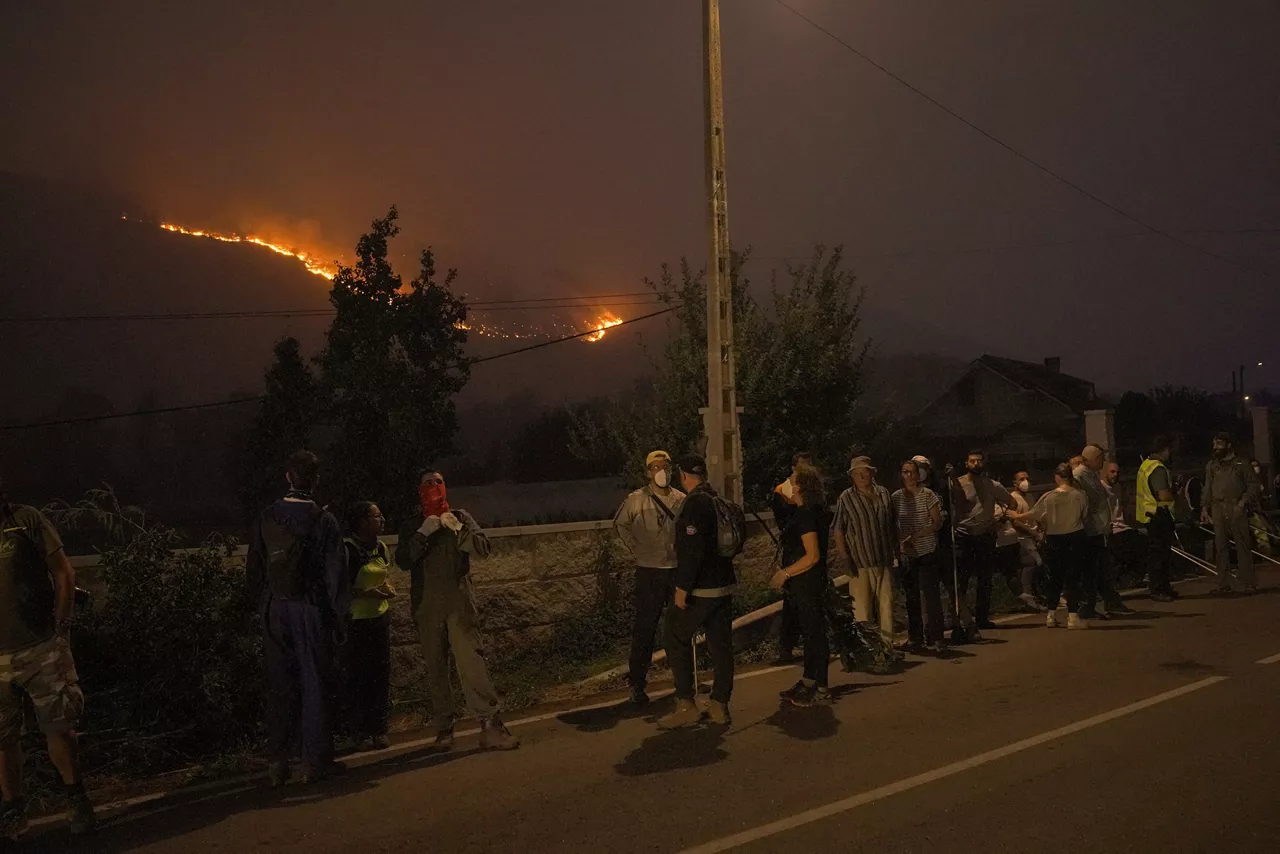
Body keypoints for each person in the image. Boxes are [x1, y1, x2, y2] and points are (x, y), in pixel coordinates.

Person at [247, 450, 349, 786]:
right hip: (310, 609)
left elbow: (255, 569)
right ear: (315, 479)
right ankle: (314, 762)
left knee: (279, 683)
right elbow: (335, 577)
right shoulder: (324, 520)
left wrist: (262, 609)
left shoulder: (267, 516)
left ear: (288, 476)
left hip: (275, 608)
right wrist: (338, 620)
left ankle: (277, 763)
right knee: (314, 684)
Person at [0, 488, 96, 839]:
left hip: (41, 646)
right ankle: (14, 812)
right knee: (3, 737)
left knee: (58, 727)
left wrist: (61, 630)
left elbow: (64, 574)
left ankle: (78, 802)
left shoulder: (25, 520)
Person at [407, 470, 518, 750]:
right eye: (427, 483)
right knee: (436, 668)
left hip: (459, 603)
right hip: (427, 605)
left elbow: (483, 549)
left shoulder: (461, 517)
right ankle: (444, 730)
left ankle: (489, 725)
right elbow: (403, 560)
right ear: (419, 490)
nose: (434, 487)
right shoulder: (413, 522)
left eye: (438, 482)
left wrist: (458, 528)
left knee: (471, 662)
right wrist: (422, 534)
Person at [658, 455, 738, 729]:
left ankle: (686, 705)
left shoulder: (694, 503)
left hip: (701, 590)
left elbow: (692, 550)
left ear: (683, 475)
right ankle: (719, 706)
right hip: (724, 585)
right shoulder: (718, 499)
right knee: (721, 647)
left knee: (675, 636)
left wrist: (682, 588)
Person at [613, 450, 685, 705]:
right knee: (645, 629)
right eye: (655, 467)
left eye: (664, 467)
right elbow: (620, 524)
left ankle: (683, 682)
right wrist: (636, 549)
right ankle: (637, 684)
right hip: (649, 571)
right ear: (647, 472)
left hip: (675, 569)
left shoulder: (680, 499)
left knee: (679, 628)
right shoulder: (636, 500)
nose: (660, 472)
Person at [772, 463, 833, 706]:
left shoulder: (807, 513)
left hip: (806, 582)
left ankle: (821, 687)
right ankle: (809, 681)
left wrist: (784, 574)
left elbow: (812, 555)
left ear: (801, 486)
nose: (789, 481)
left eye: (793, 478)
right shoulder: (811, 510)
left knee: (814, 633)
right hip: (808, 582)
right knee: (811, 633)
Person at [1008, 462, 1091, 629]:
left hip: (1054, 539)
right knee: (1072, 578)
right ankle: (1073, 617)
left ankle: (1051, 615)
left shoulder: (1049, 496)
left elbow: (1034, 514)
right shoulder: (1080, 495)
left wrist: (1016, 515)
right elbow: (1085, 516)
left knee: (1054, 577)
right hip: (1075, 537)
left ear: (1057, 477)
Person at [342, 501, 396, 750]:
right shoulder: (348, 549)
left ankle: (379, 729)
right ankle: (360, 732)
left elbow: (382, 577)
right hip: (356, 622)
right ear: (363, 521)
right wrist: (367, 593)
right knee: (358, 677)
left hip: (379, 618)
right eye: (377, 515)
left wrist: (386, 589)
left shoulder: (382, 547)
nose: (382, 519)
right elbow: (341, 588)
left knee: (380, 675)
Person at [949, 450, 1013, 634]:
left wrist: (999, 522)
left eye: (979, 461)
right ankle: (960, 617)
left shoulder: (992, 485)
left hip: (985, 534)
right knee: (961, 579)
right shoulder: (958, 484)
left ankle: (982, 617)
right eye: (972, 461)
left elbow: (1011, 503)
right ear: (966, 463)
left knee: (985, 579)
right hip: (963, 534)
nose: (976, 464)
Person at [833, 456, 896, 642]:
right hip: (859, 562)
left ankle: (887, 647)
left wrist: (897, 553)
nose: (862, 475)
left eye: (866, 471)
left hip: (884, 559)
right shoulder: (846, 497)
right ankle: (867, 648)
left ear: (872, 473)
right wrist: (845, 558)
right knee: (862, 610)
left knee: (887, 607)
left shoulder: (884, 493)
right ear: (852, 476)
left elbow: (892, 525)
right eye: (858, 472)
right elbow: (838, 529)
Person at [891, 459, 945, 652]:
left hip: (926, 549)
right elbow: (892, 523)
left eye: (912, 472)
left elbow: (937, 522)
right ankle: (915, 636)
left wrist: (919, 535)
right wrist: (900, 542)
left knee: (930, 595)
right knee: (911, 596)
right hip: (908, 552)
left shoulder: (928, 495)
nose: (909, 476)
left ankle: (937, 636)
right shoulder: (896, 498)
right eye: (905, 472)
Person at [1201, 432, 1261, 595]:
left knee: (1242, 545)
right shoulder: (1212, 466)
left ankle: (1247, 582)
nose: (1215, 447)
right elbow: (1208, 487)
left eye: (1219, 443)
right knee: (1220, 546)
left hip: (1236, 506)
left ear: (1228, 445)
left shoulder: (1241, 463)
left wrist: (1243, 502)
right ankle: (1224, 583)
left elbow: (1253, 485)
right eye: (1214, 443)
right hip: (1217, 507)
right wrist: (1205, 507)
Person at [770, 452, 812, 664]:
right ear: (794, 468)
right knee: (792, 600)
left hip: (808, 547)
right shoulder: (781, 492)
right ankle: (787, 646)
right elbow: (785, 523)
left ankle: (808, 643)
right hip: (794, 549)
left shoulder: (811, 490)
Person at [1135, 435, 1179, 602]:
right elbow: (1163, 494)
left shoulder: (1145, 465)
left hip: (1149, 515)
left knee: (1157, 553)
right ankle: (1159, 588)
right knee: (1161, 554)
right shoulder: (1158, 468)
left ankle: (1162, 587)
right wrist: (1175, 491)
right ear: (1165, 450)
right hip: (1159, 514)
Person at [1073, 445, 1114, 620]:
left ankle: (1093, 605)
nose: (1102, 462)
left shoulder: (1090, 475)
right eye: (1100, 458)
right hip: (1089, 530)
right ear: (1095, 458)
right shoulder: (1080, 476)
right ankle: (1086, 606)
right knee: (1089, 570)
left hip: (1097, 529)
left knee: (1096, 569)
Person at [1101, 462, 1138, 615]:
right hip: (1111, 529)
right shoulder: (1101, 488)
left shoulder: (1118, 488)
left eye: (1117, 472)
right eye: (1112, 472)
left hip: (1121, 527)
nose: (1115, 475)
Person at [1006, 471, 1043, 611]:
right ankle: (1028, 598)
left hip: (1033, 536)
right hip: (1022, 538)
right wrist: (1033, 533)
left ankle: (1034, 595)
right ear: (1015, 483)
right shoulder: (1013, 498)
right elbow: (1016, 522)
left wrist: (1039, 530)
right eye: (1022, 479)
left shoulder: (1029, 496)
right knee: (1031, 563)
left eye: (1027, 478)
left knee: (1038, 565)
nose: (1025, 482)